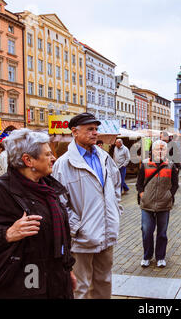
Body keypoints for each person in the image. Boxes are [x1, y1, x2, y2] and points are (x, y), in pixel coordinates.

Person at [0, 129, 76, 299]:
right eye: (48, 154)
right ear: (28, 160)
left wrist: (67, 269)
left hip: (56, 283)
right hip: (19, 287)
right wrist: (6, 234)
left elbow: (59, 237)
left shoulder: (48, 189)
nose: (54, 158)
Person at [52, 113, 123, 299]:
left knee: (104, 281)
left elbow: (116, 187)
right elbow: (59, 204)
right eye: (89, 129)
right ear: (75, 132)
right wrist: (77, 227)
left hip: (106, 234)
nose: (95, 133)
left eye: (96, 129)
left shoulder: (105, 158)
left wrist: (115, 212)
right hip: (82, 238)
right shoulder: (63, 165)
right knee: (80, 287)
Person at [136, 140, 179, 268]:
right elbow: (139, 183)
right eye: (157, 149)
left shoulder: (170, 165)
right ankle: (147, 256)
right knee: (147, 231)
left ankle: (160, 257)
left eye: (162, 149)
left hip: (164, 204)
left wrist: (169, 195)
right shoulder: (145, 164)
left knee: (162, 233)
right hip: (147, 204)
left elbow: (175, 184)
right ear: (152, 151)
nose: (160, 151)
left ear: (166, 151)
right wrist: (141, 194)